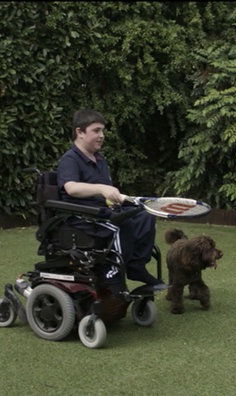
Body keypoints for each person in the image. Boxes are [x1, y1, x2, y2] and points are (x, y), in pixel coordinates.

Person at [56, 109, 167, 291]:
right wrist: (101, 188)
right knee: (121, 224)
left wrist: (117, 198)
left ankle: (136, 267)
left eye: (102, 131)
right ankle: (113, 274)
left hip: (103, 212)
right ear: (79, 132)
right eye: (96, 130)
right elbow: (71, 188)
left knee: (144, 216)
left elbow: (106, 194)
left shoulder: (100, 160)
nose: (102, 136)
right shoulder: (70, 159)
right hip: (81, 217)